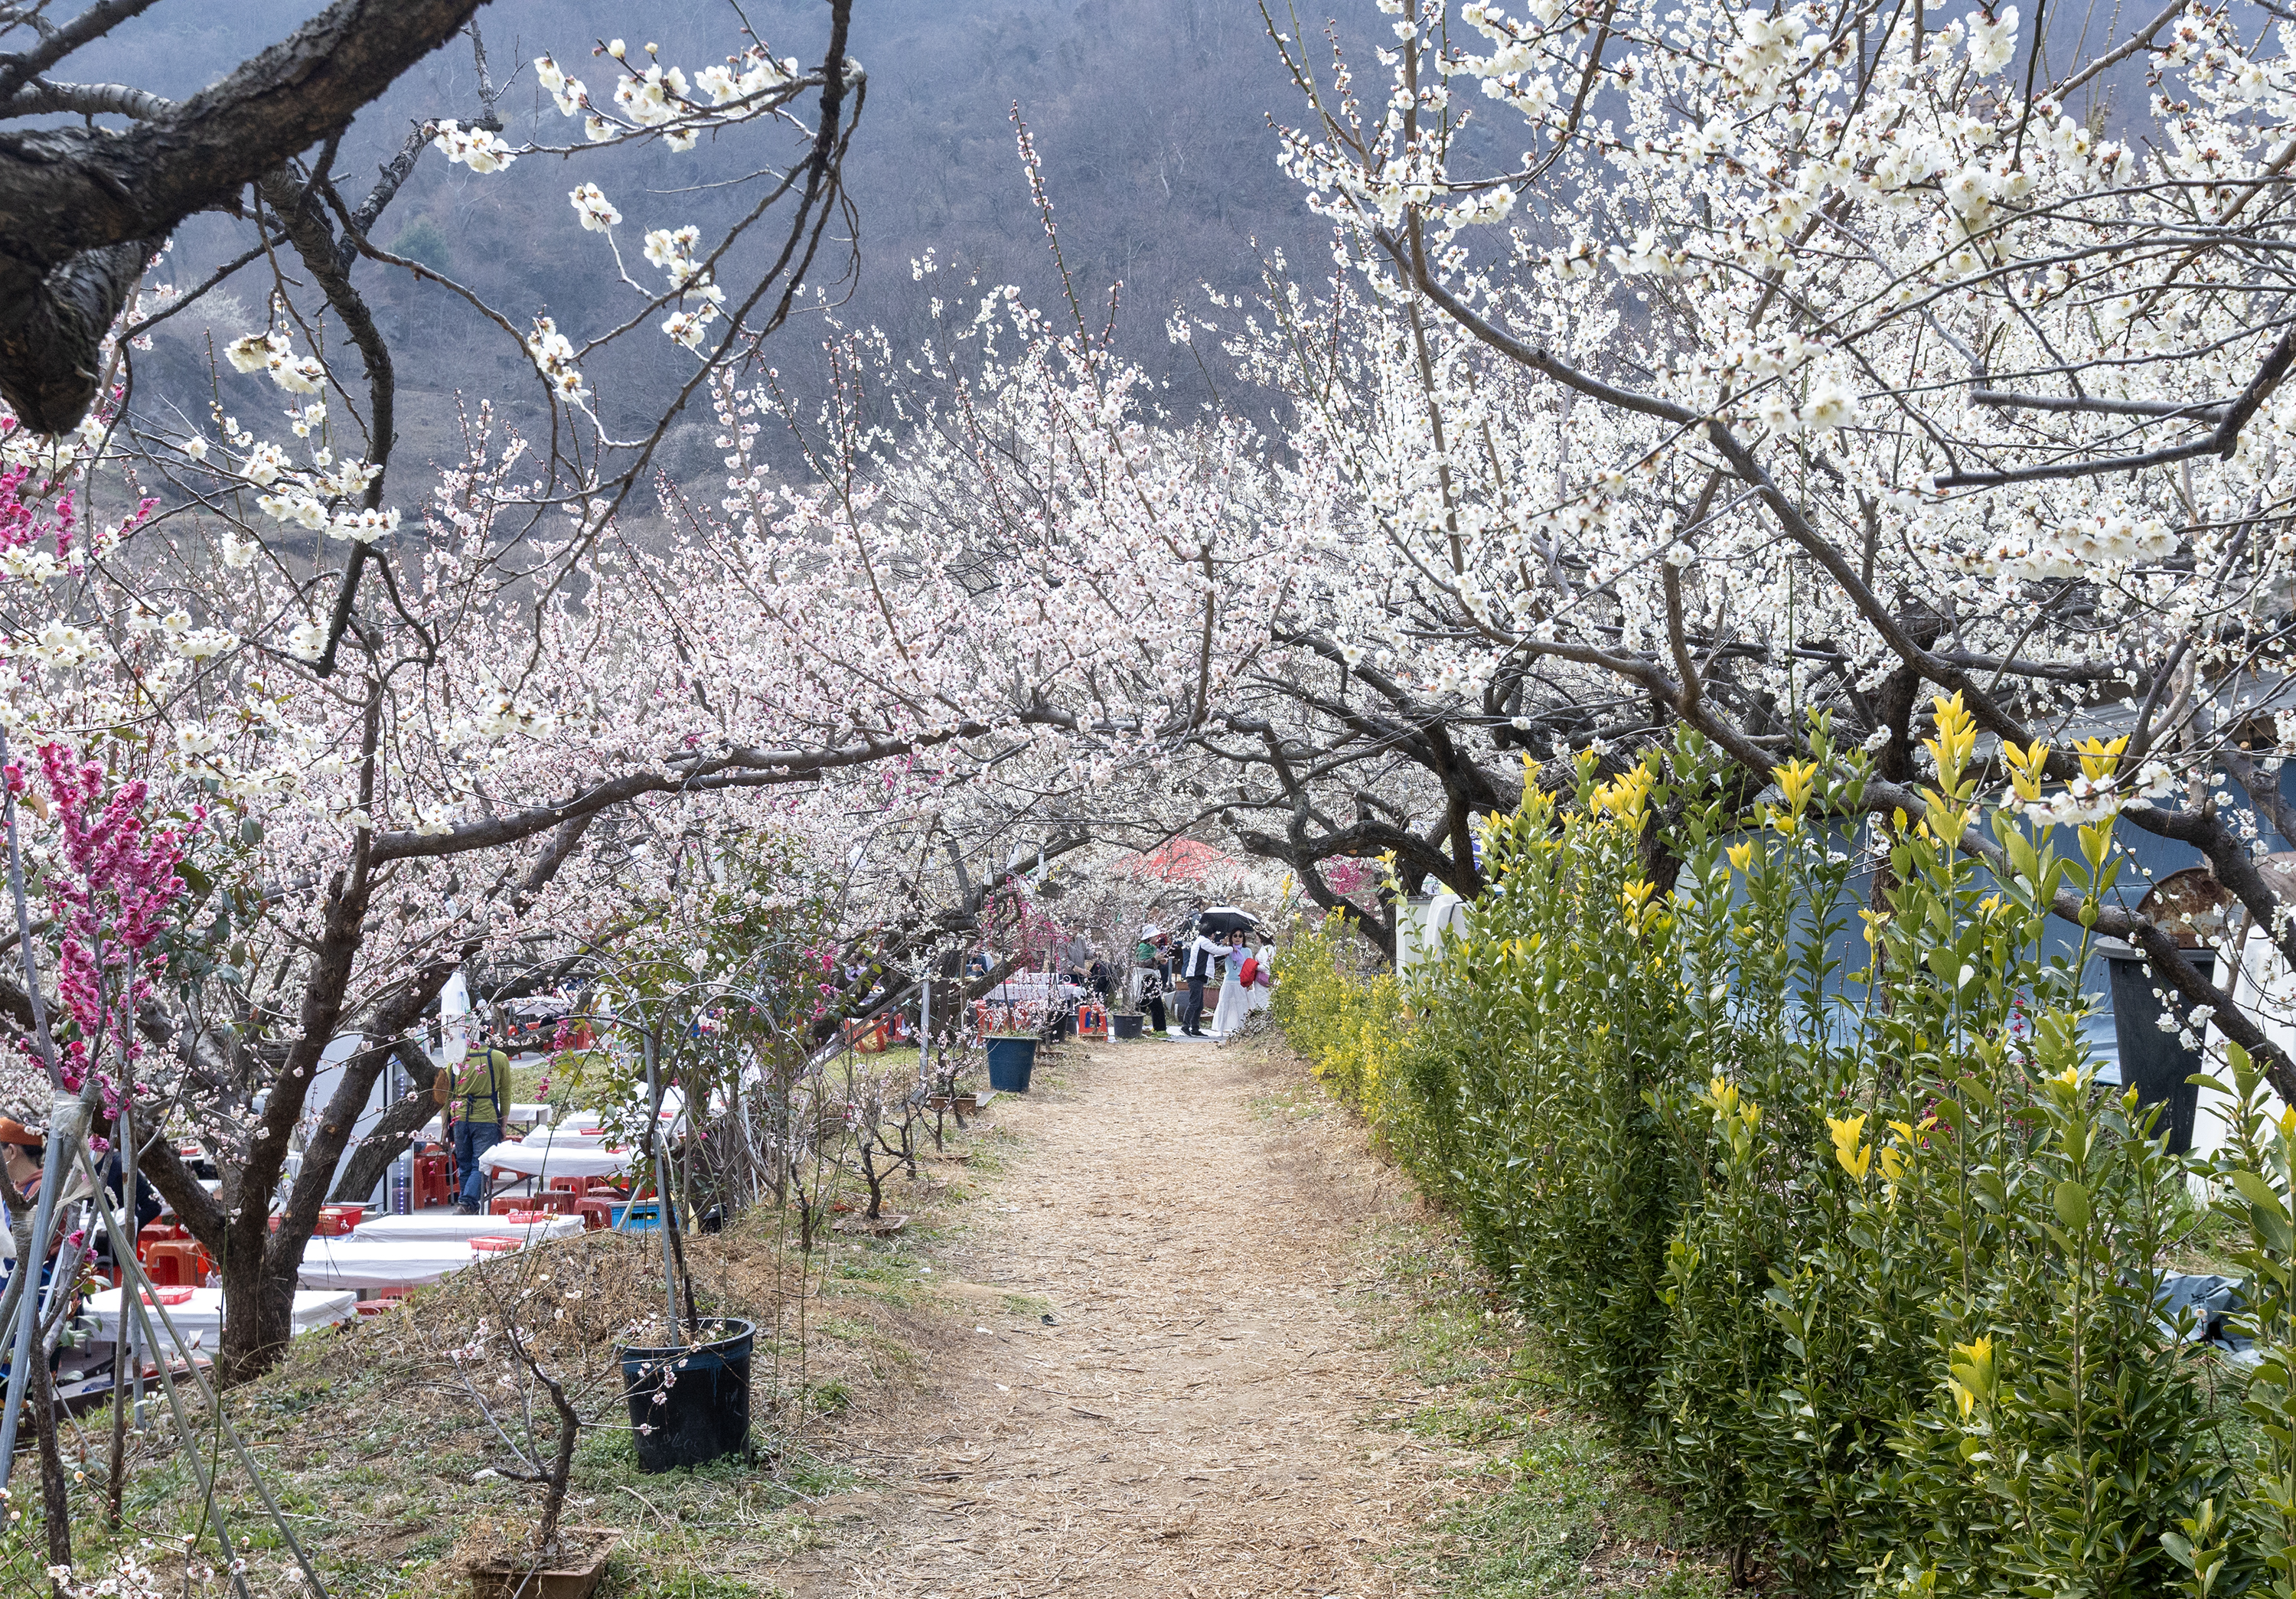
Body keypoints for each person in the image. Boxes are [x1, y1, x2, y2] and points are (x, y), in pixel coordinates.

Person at [450, 1030, 513, 1215]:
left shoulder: (455, 1060)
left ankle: (468, 1208)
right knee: (481, 1163)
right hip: (487, 1118)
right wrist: (503, 1124)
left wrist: (445, 1126)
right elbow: (505, 1094)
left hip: (460, 1118)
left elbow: (447, 1096)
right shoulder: (499, 1058)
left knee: (464, 1164)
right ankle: (467, 1203)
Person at [1178, 921, 1225, 1036]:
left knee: (1199, 1005)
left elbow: (1213, 956)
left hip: (1197, 976)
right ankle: (1185, 1026)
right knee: (1194, 1003)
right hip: (1195, 976)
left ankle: (1195, 1028)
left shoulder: (1201, 941)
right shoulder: (1204, 941)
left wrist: (1224, 952)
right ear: (1211, 934)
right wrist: (1230, 949)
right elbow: (1217, 951)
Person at [1211, 932, 1252, 1036]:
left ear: (1243, 938)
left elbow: (1250, 967)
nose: (1237, 938)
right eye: (1235, 936)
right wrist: (1223, 945)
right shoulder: (1227, 949)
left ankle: (1242, 1029)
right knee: (1224, 1004)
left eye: (1240, 936)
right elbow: (1216, 955)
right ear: (1231, 938)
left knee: (1242, 1006)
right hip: (1228, 980)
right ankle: (1220, 1029)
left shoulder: (1247, 951)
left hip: (1240, 981)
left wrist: (1249, 983)